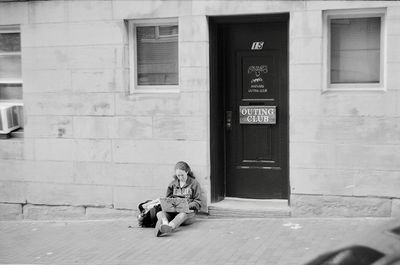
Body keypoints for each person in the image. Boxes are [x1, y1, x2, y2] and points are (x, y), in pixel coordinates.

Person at [155, 161, 202, 237]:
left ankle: (170, 227)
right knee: (159, 213)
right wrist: (169, 204)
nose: (180, 177)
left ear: (187, 171)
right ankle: (165, 224)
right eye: (178, 175)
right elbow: (168, 198)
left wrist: (186, 206)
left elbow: (198, 202)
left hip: (188, 214)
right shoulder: (173, 184)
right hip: (173, 213)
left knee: (182, 215)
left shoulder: (194, 183)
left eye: (182, 175)